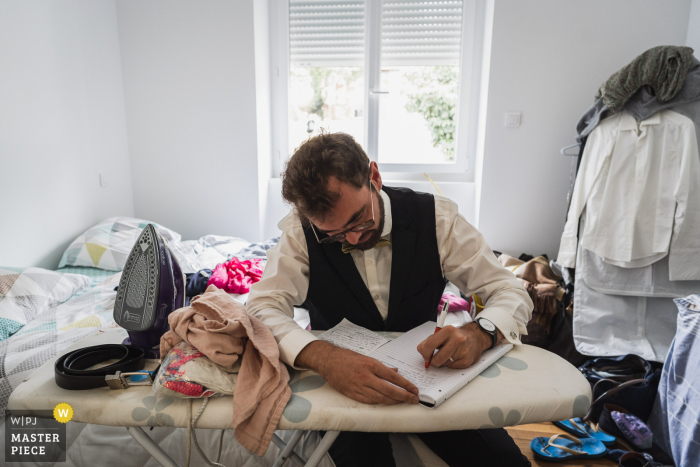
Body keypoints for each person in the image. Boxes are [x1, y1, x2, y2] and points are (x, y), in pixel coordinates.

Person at [246, 132, 533, 467]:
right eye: (333, 234)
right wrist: (323, 358)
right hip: (341, 385)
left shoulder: (437, 219)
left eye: (358, 219)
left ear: (375, 177)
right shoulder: (300, 232)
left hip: (430, 376)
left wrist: (481, 332)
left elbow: (508, 289)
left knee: (504, 463)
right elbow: (261, 307)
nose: (352, 238)